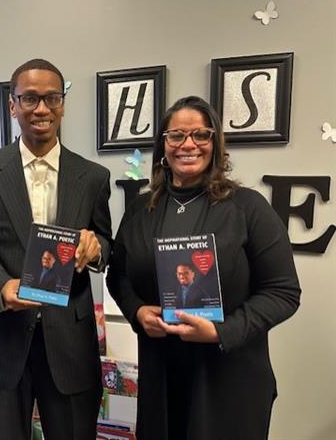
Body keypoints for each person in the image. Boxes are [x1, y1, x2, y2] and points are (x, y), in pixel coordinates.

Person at [106, 95, 301, 440]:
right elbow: (118, 275)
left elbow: (283, 291)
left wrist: (221, 331)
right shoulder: (139, 211)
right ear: (163, 145)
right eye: (176, 135)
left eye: (200, 135)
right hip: (162, 374)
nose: (188, 145)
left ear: (215, 142)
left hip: (230, 376)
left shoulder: (248, 208)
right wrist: (136, 311)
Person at [0, 58, 112, 440]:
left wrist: (96, 250)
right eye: (29, 98)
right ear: (13, 105)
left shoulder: (93, 176)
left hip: (70, 342)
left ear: (63, 104)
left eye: (51, 98)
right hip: (4, 337)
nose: (41, 109)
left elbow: (109, 245)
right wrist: (0, 287)